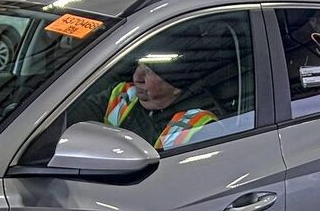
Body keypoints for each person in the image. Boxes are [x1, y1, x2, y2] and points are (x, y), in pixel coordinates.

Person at [71, 57, 219, 151]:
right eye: (139, 65)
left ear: (176, 87)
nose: (137, 77)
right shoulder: (122, 94)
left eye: (149, 71)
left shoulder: (200, 127)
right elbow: (69, 119)